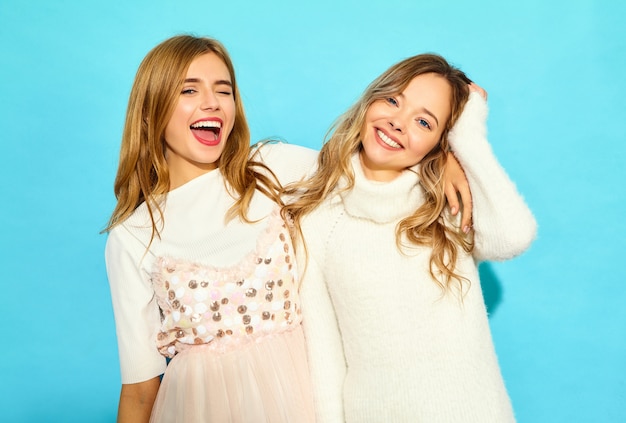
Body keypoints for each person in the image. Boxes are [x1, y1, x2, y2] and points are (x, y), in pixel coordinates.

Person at [283, 54, 537, 422]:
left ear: (440, 140)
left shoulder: (445, 203)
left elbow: (513, 237)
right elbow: (324, 351)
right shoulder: (319, 218)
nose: (398, 123)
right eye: (392, 100)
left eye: (423, 121)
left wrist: (467, 139)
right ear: (371, 98)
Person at [103, 35, 321, 423]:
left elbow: (370, 169)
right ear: (151, 111)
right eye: (190, 89)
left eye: (224, 90)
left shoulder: (272, 170)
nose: (212, 102)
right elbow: (139, 388)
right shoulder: (133, 235)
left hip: (306, 400)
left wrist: (455, 155)